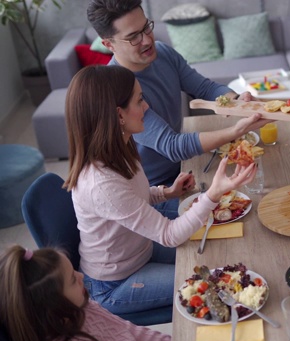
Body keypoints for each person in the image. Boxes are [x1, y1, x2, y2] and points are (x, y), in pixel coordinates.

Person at [63, 65, 257, 318]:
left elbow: (131, 200)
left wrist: (166, 192)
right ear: (118, 115)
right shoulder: (101, 183)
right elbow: (169, 235)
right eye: (140, 100)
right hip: (115, 283)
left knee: (222, 254)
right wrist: (213, 194)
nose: (146, 107)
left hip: (143, 247)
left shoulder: (119, 147)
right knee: (221, 287)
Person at [87, 0, 271, 219]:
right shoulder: (117, 89)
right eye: (134, 36)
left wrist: (238, 100)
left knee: (261, 191)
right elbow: (172, 146)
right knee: (243, 216)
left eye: (147, 27)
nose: (147, 40)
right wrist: (237, 130)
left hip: (186, 171)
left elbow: (203, 87)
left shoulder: (163, 52)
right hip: (155, 193)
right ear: (109, 44)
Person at [0, 245, 172, 341]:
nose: (81, 276)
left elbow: (133, 332)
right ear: (54, 306)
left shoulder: (83, 307)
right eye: (73, 280)